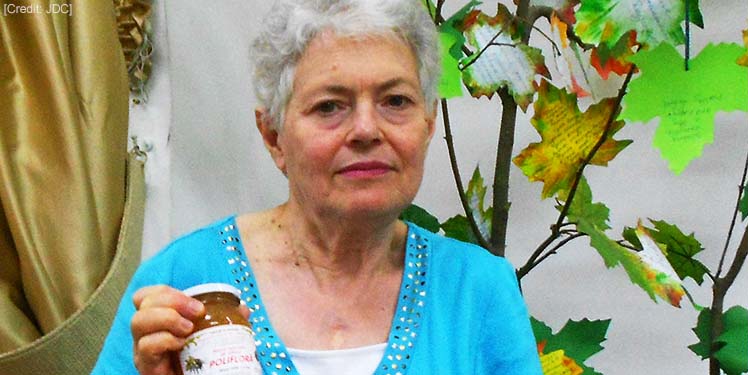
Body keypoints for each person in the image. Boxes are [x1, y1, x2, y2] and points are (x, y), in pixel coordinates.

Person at [92, 0, 543, 374]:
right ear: (273, 137)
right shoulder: (181, 283)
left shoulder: (477, 290)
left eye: (396, 101)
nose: (367, 129)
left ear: (426, 127)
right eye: (329, 106)